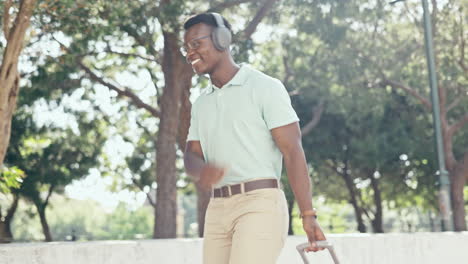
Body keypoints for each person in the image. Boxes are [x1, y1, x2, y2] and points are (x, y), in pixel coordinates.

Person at [182, 12, 326, 264]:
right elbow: (192, 154)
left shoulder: (265, 87)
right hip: (217, 209)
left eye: (196, 44)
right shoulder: (201, 103)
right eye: (186, 47)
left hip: (259, 203)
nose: (190, 52)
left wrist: (308, 213)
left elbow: (293, 151)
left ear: (221, 39)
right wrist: (201, 170)